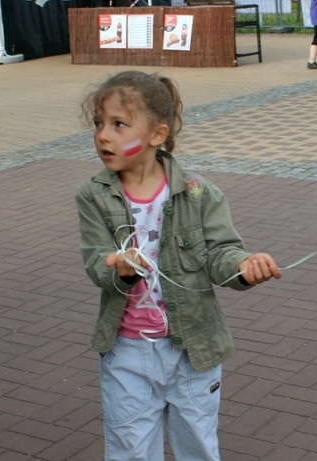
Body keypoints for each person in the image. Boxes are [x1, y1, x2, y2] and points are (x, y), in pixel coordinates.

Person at [75, 70, 282, 460]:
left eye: (119, 124)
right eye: (99, 124)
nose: (103, 135)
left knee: (198, 446)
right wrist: (116, 266)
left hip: (194, 349)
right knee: (130, 449)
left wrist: (244, 265)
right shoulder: (93, 196)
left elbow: (222, 253)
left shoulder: (199, 194)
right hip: (127, 350)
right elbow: (94, 261)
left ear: (157, 135)